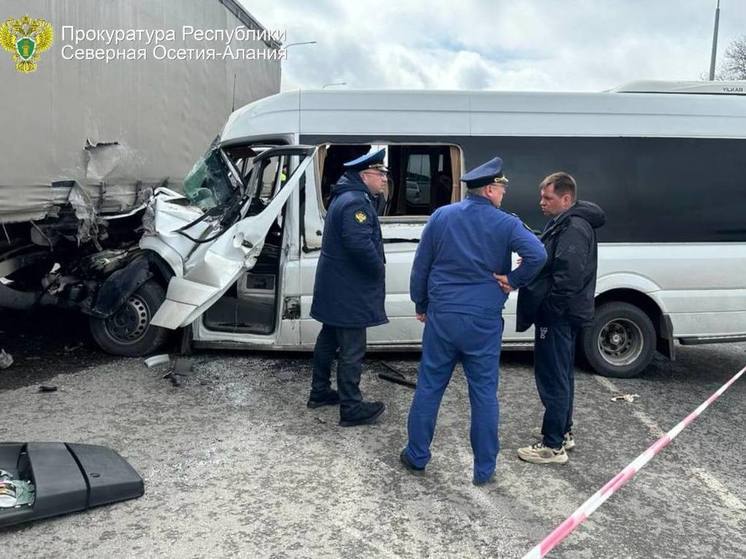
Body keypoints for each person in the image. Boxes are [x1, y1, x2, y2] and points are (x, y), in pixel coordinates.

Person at [400, 156, 547, 485]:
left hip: (443, 315)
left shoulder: (441, 216)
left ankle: (417, 455)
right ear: (491, 189)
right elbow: (538, 255)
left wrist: (420, 303)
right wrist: (513, 279)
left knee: (429, 387)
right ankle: (484, 469)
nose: (504, 194)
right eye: (502, 188)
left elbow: (421, 266)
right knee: (483, 393)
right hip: (482, 320)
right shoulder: (506, 224)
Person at [512, 172, 606, 464]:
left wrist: (549, 310)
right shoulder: (564, 223)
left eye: (548, 197)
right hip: (562, 315)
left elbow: (568, 278)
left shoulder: (574, 228)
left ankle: (552, 446)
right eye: (542, 196)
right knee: (562, 374)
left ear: (566, 198)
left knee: (553, 377)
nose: (542, 202)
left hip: (558, 317)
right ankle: (562, 432)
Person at [308, 148, 389, 427]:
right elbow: (359, 245)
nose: (384, 180)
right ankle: (351, 407)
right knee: (353, 348)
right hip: (349, 290)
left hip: (336, 286)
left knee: (328, 339)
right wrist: (379, 269)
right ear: (365, 175)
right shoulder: (357, 203)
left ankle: (319, 392)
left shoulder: (344, 196)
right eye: (380, 175)